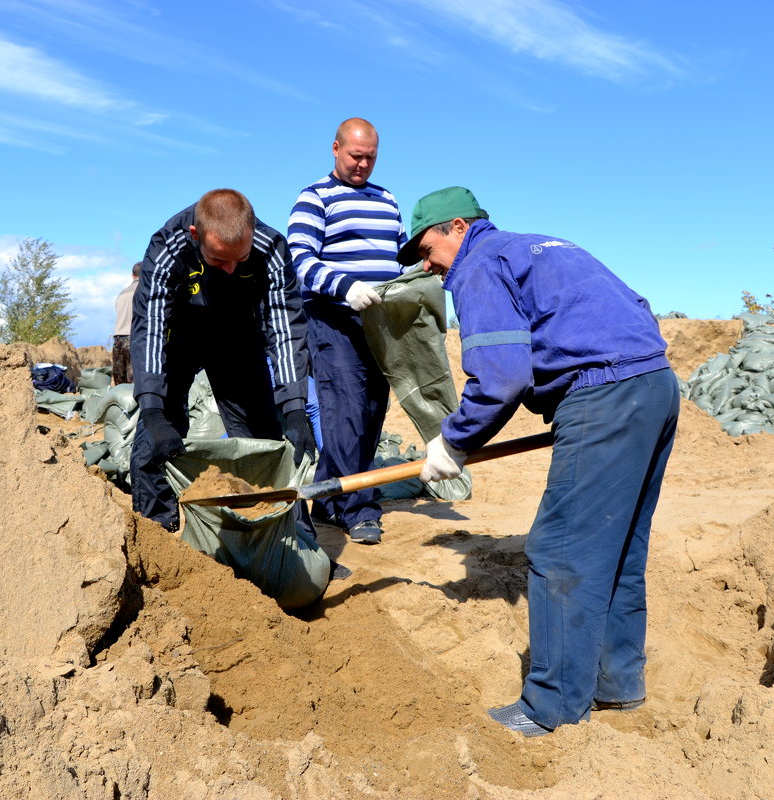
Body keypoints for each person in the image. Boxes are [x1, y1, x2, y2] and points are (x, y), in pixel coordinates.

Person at [403, 187, 679, 736]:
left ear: (457, 227)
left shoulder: (479, 265)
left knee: (560, 551)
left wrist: (453, 441)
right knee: (617, 546)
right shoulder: (543, 247)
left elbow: (503, 376)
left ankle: (549, 707)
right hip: (655, 386)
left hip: (604, 394)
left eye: (425, 248)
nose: (426, 265)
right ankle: (616, 683)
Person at [130, 188, 316, 532]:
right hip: (178, 337)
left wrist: (295, 407)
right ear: (195, 235)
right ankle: (158, 533)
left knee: (265, 442)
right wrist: (153, 409)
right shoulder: (167, 245)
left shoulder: (270, 246)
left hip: (238, 337)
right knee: (155, 440)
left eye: (240, 259)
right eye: (218, 260)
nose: (230, 269)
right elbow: (150, 326)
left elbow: (285, 326)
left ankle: (289, 539)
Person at [287, 117, 407, 545]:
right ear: (335, 149)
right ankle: (359, 508)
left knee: (373, 410)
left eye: (371, 158)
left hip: (378, 322)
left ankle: (327, 497)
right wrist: (346, 286)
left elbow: (400, 252)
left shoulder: (386, 198)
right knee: (346, 411)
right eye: (356, 156)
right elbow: (299, 258)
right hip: (333, 318)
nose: (363, 165)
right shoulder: (314, 197)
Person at [112, 262, 140, 385]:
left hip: (118, 340)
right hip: (135, 339)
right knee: (134, 382)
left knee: (120, 383)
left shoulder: (122, 293)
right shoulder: (144, 291)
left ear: (132, 275)